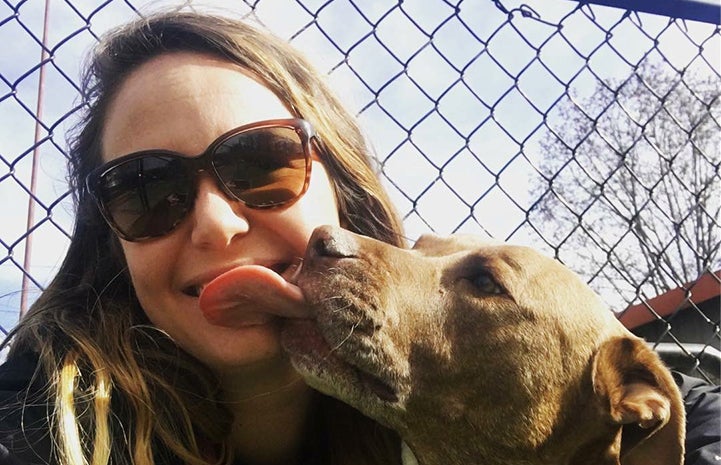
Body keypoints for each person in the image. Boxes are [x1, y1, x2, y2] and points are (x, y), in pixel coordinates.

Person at [0, 9, 717, 465]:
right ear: (112, 243)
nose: (216, 223)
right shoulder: (34, 429)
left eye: (259, 162)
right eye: (146, 190)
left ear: (338, 187)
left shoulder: (648, 404)